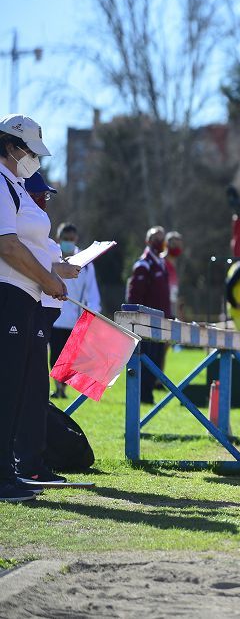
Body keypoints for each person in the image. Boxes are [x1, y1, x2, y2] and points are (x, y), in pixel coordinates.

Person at [0, 114, 70, 502]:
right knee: (6, 388)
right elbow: (7, 245)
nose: (34, 160)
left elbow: (28, 247)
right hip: (7, 295)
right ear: (11, 145)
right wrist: (49, 281)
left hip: (23, 296)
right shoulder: (0, 183)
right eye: (29, 150)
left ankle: (11, 470)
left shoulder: (16, 185)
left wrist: (51, 275)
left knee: (18, 389)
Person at [50, 223, 102, 399]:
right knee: (55, 355)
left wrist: (91, 314)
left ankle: (62, 388)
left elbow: (92, 292)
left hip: (74, 318)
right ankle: (57, 388)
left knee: (69, 358)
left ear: (76, 239)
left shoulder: (86, 262)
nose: (69, 243)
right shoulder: (51, 255)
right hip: (54, 316)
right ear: (59, 239)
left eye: (72, 240)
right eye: (65, 239)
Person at [127, 226, 172, 403]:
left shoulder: (161, 263)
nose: (159, 242)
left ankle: (148, 393)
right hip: (145, 323)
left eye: (161, 238)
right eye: (155, 238)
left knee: (157, 360)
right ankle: (143, 396)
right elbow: (135, 295)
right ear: (147, 241)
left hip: (160, 321)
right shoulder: (143, 264)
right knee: (146, 360)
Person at [162, 231, 184, 320]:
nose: (177, 247)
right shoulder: (161, 263)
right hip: (161, 311)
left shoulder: (174, 266)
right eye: (174, 244)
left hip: (171, 312)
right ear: (166, 244)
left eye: (179, 245)